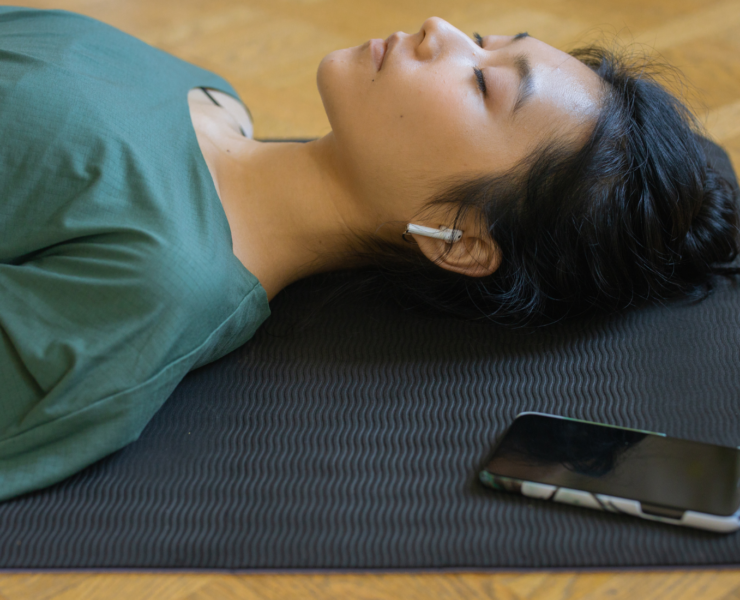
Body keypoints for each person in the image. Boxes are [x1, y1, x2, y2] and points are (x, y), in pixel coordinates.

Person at [0, 6, 736, 501]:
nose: (438, 26)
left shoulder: (155, 284)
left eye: (482, 83)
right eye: (484, 41)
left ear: (462, 237)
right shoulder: (212, 97)